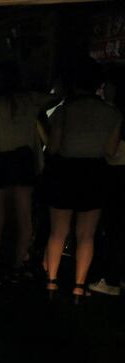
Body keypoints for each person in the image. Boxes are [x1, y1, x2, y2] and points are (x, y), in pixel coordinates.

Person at [44, 59, 122, 303]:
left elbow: (54, 147)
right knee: (86, 234)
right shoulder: (112, 113)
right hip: (95, 171)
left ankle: (52, 282)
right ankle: (79, 287)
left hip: (66, 170)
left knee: (58, 231)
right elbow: (110, 151)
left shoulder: (64, 111)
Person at [0, 61, 57, 286]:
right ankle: (17, 266)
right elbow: (54, 98)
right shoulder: (30, 101)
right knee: (24, 218)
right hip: (22, 161)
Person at [90, 72, 125, 297]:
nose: (104, 90)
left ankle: (110, 279)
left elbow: (110, 151)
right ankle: (119, 276)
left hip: (117, 175)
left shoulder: (117, 116)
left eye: (107, 86)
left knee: (114, 229)